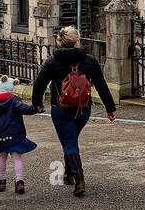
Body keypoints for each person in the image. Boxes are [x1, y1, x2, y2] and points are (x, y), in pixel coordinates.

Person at [32, 26, 115, 197]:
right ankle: (70, 174)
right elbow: (101, 85)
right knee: (71, 140)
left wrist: (37, 104)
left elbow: (39, 84)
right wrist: (110, 108)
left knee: (69, 143)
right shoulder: (89, 60)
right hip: (83, 110)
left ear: (60, 41)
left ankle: (79, 180)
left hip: (61, 110)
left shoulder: (52, 61)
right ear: (77, 40)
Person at [0, 76, 38, 194]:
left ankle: (1, 181)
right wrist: (35, 109)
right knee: (17, 157)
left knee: (2, 157)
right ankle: (19, 181)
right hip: (16, 134)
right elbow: (24, 109)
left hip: (1, 136)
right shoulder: (14, 101)